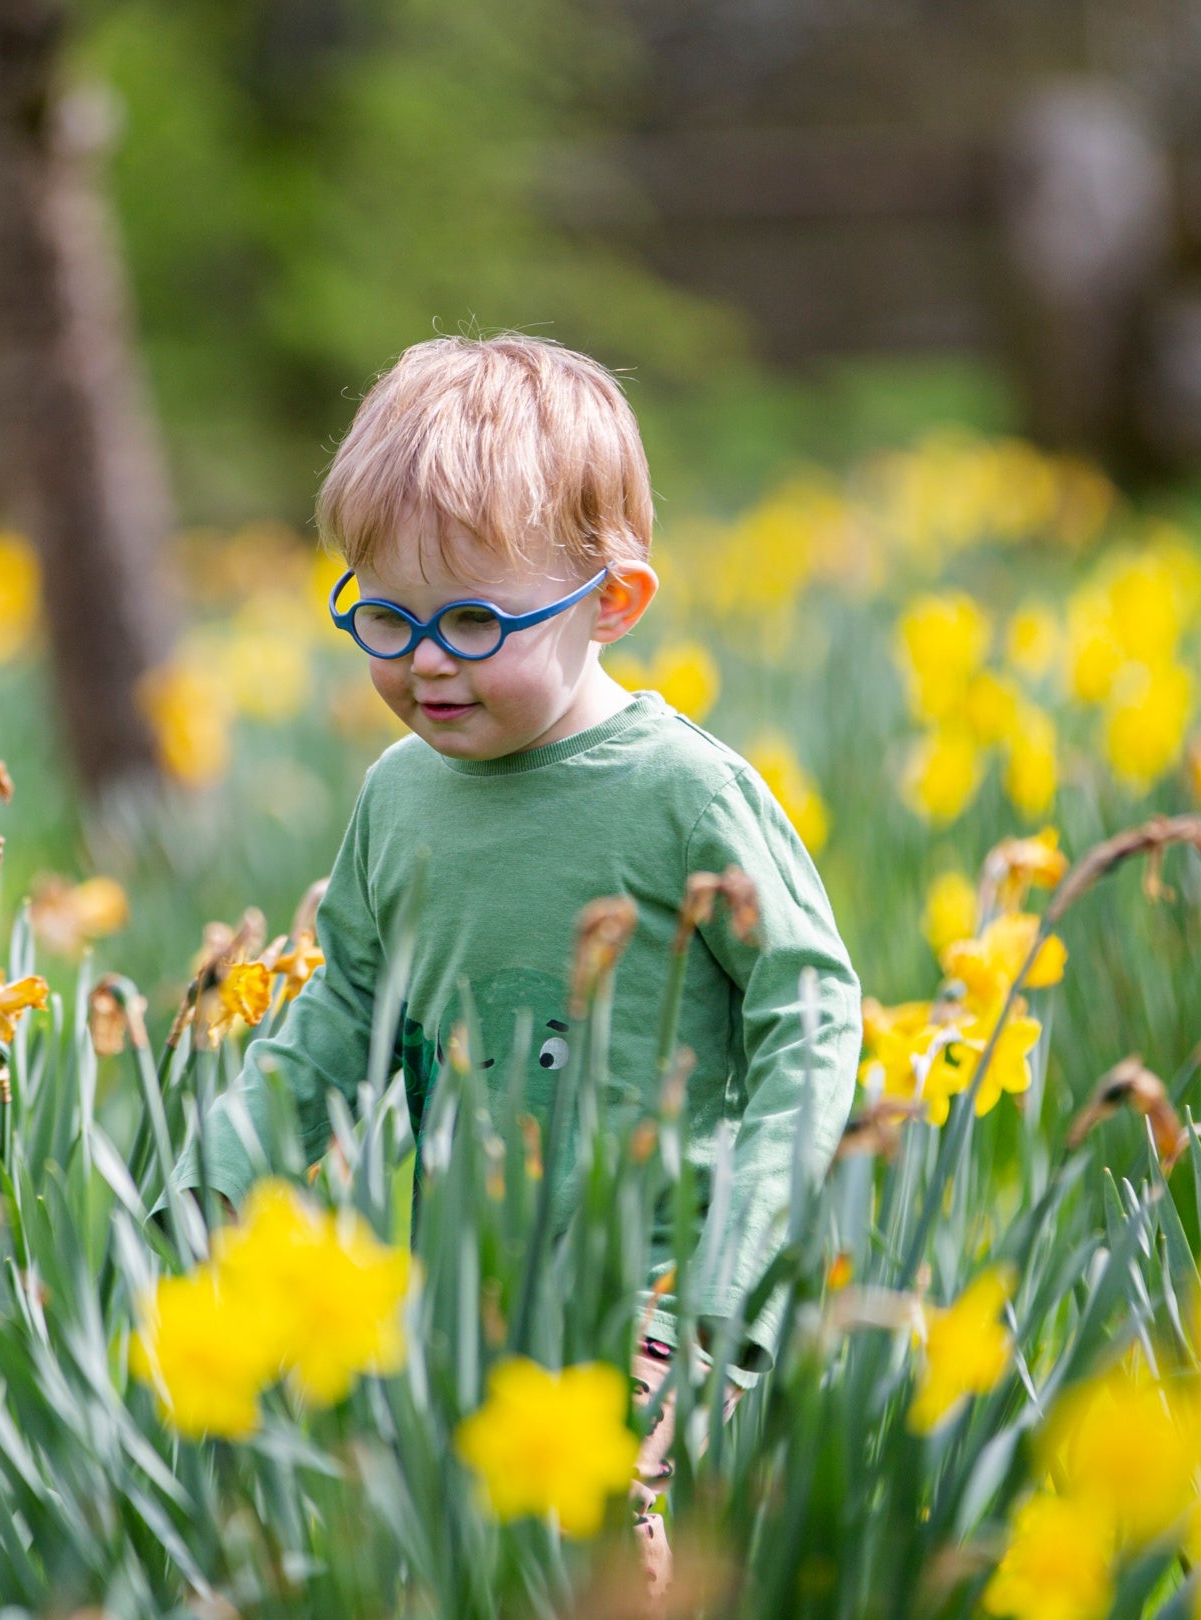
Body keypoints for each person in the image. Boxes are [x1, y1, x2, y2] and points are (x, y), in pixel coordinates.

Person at [189, 332, 859, 1566]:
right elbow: (346, 1007)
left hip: (668, 1300)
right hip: (468, 1299)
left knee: (629, 1563)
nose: (424, 660)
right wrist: (224, 1173)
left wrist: (728, 1290)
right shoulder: (399, 795)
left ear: (612, 601)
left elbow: (808, 1014)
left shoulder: (680, 795)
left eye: (472, 621)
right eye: (383, 615)